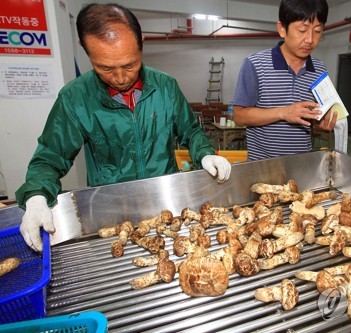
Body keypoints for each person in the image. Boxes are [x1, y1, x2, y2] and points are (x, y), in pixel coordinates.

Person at [15, 3, 231, 252]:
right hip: (111, 214)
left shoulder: (165, 87)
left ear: (142, 43)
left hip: (166, 206)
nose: (120, 78)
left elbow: (191, 132)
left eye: (130, 65)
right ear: (85, 51)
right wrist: (36, 197)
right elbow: (50, 158)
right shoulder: (75, 98)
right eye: (105, 68)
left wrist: (204, 153)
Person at [232, 0, 347, 161]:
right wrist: (284, 112)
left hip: (302, 166)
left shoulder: (319, 70)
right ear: (282, 29)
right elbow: (239, 116)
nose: (310, 39)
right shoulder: (255, 64)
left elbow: (313, 120)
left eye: (318, 31)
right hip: (262, 167)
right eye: (302, 30)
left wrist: (321, 123)